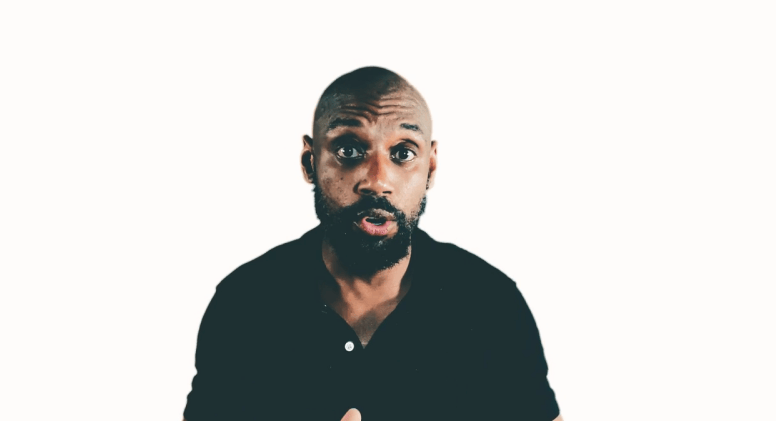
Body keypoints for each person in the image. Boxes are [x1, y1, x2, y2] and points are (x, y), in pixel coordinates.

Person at [183, 66, 562, 421]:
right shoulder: (244, 302)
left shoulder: (491, 304)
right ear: (309, 161)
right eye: (349, 150)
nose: (377, 180)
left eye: (403, 154)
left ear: (430, 167)